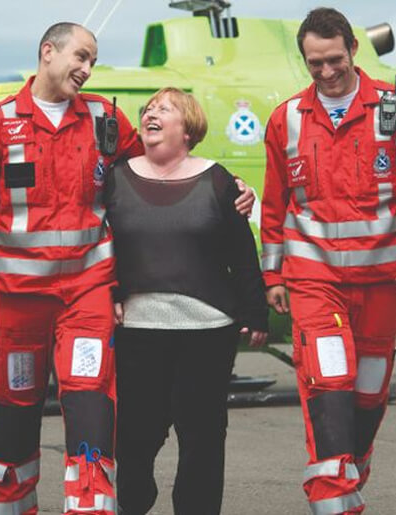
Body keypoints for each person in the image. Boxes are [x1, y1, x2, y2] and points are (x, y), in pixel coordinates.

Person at [0, 23, 253, 515]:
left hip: (86, 297)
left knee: (91, 416)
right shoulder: (1, 125)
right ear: (48, 52)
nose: (86, 70)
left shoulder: (104, 119)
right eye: (80, 57)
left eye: (93, 61)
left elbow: (164, 167)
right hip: (21, 304)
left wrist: (227, 184)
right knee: (14, 424)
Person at [259, 8, 396, 514]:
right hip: (314, 278)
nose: (325, 72)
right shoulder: (287, 119)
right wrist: (273, 274)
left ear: (353, 50)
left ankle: (351, 463)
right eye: (314, 63)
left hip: (382, 280)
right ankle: (334, 498)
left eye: (334, 59)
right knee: (329, 380)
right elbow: (275, 204)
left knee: (368, 391)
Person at [105, 87, 269, 515]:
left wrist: (255, 312)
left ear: (188, 128)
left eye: (166, 108)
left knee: (202, 437)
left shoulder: (217, 179)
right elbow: (101, 247)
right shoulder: (115, 178)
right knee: (134, 436)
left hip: (207, 331)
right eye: (150, 108)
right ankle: (134, 503)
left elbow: (241, 249)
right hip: (139, 330)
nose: (151, 113)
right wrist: (110, 293)